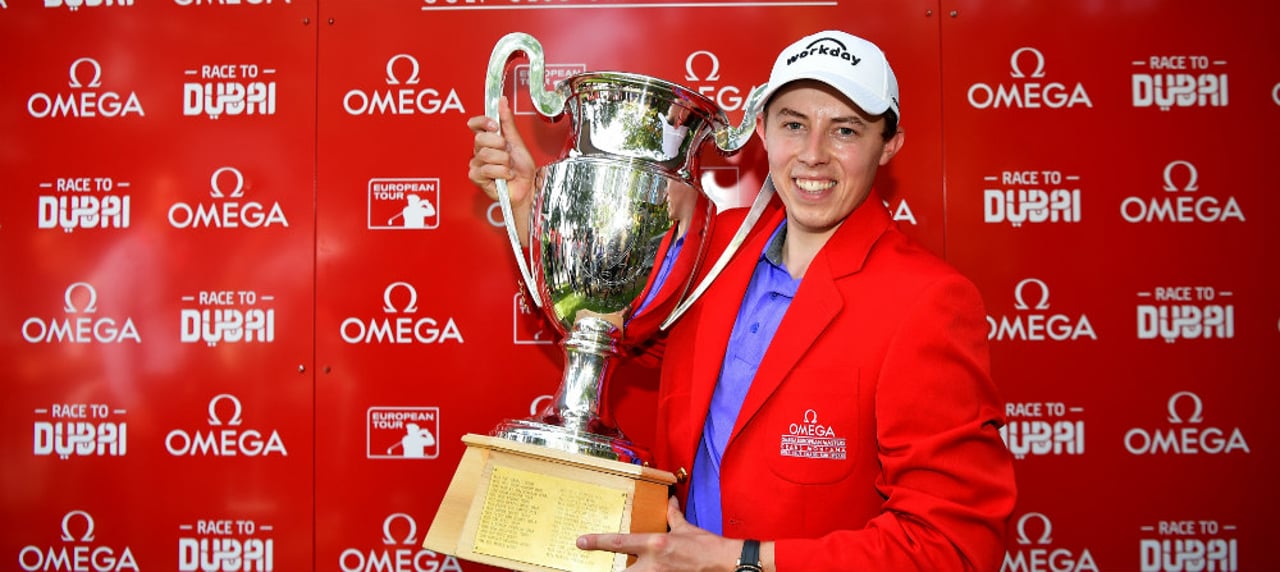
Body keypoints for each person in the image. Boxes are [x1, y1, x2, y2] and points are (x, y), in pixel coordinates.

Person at [467, 30, 1016, 571]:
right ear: (762, 128)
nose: (813, 155)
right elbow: (611, 330)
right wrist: (524, 206)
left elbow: (955, 547)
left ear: (889, 144)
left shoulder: (928, 301)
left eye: (845, 131)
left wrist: (739, 561)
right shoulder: (717, 247)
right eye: (794, 124)